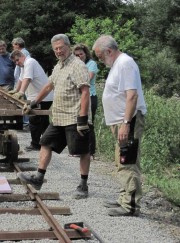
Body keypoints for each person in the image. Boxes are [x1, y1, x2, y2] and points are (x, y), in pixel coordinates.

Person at [17, 34, 92, 199]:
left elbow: (85, 92)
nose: (59, 51)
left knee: (81, 151)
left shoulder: (77, 65)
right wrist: (34, 101)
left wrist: (82, 119)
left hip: (74, 116)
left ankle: (83, 185)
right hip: (58, 116)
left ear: (68, 47)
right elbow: (49, 85)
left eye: (61, 48)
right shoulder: (58, 66)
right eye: (56, 49)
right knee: (45, 142)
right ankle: (38, 177)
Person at [92, 35, 147, 217]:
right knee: (121, 160)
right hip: (121, 121)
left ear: (109, 51)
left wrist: (125, 124)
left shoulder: (125, 63)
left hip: (127, 120)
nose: (100, 60)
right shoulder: (118, 64)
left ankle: (130, 205)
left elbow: (132, 96)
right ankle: (124, 198)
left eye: (100, 56)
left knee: (127, 161)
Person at [9, 50, 53, 151]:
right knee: (43, 121)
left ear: (22, 56)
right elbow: (21, 79)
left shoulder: (30, 62)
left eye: (17, 60)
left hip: (42, 97)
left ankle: (36, 144)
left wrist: (21, 93)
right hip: (42, 97)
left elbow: (27, 79)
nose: (16, 63)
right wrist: (16, 90)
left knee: (34, 120)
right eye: (14, 62)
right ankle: (49, 142)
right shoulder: (24, 65)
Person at [73, 43, 99, 157]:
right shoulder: (75, 65)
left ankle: (91, 150)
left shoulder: (91, 64)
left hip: (90, 96)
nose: (79, 56)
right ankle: (80, 149)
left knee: (89, 123)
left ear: (85, 53)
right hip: (78, 97)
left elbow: (87, 79)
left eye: (81, 54)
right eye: (76, 55)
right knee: (78, 123)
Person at [11, 37, 31, 127]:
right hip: (21, 81)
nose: (13, 47)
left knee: (23, 101)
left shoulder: (23, 53)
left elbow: (24, 71)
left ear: (17, 45)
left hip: (23, 82)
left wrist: (19, 89)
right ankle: (25, 120)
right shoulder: (23, 52)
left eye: (13, 45)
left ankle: (26, 121)